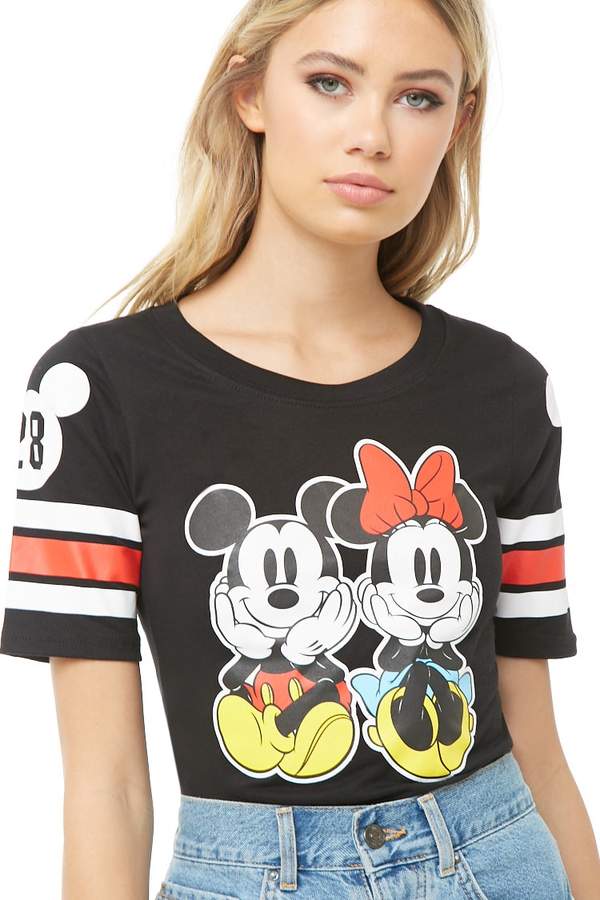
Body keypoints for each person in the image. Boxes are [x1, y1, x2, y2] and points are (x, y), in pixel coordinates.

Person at [1, 0, 598, 897]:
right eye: (329, 83)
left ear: (458, 123)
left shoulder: (508, 389)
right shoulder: (95, 393)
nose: (372, 136)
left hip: (497, 858)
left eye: (419, 98)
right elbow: (106, 787)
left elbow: (538, 743)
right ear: (249, 94)